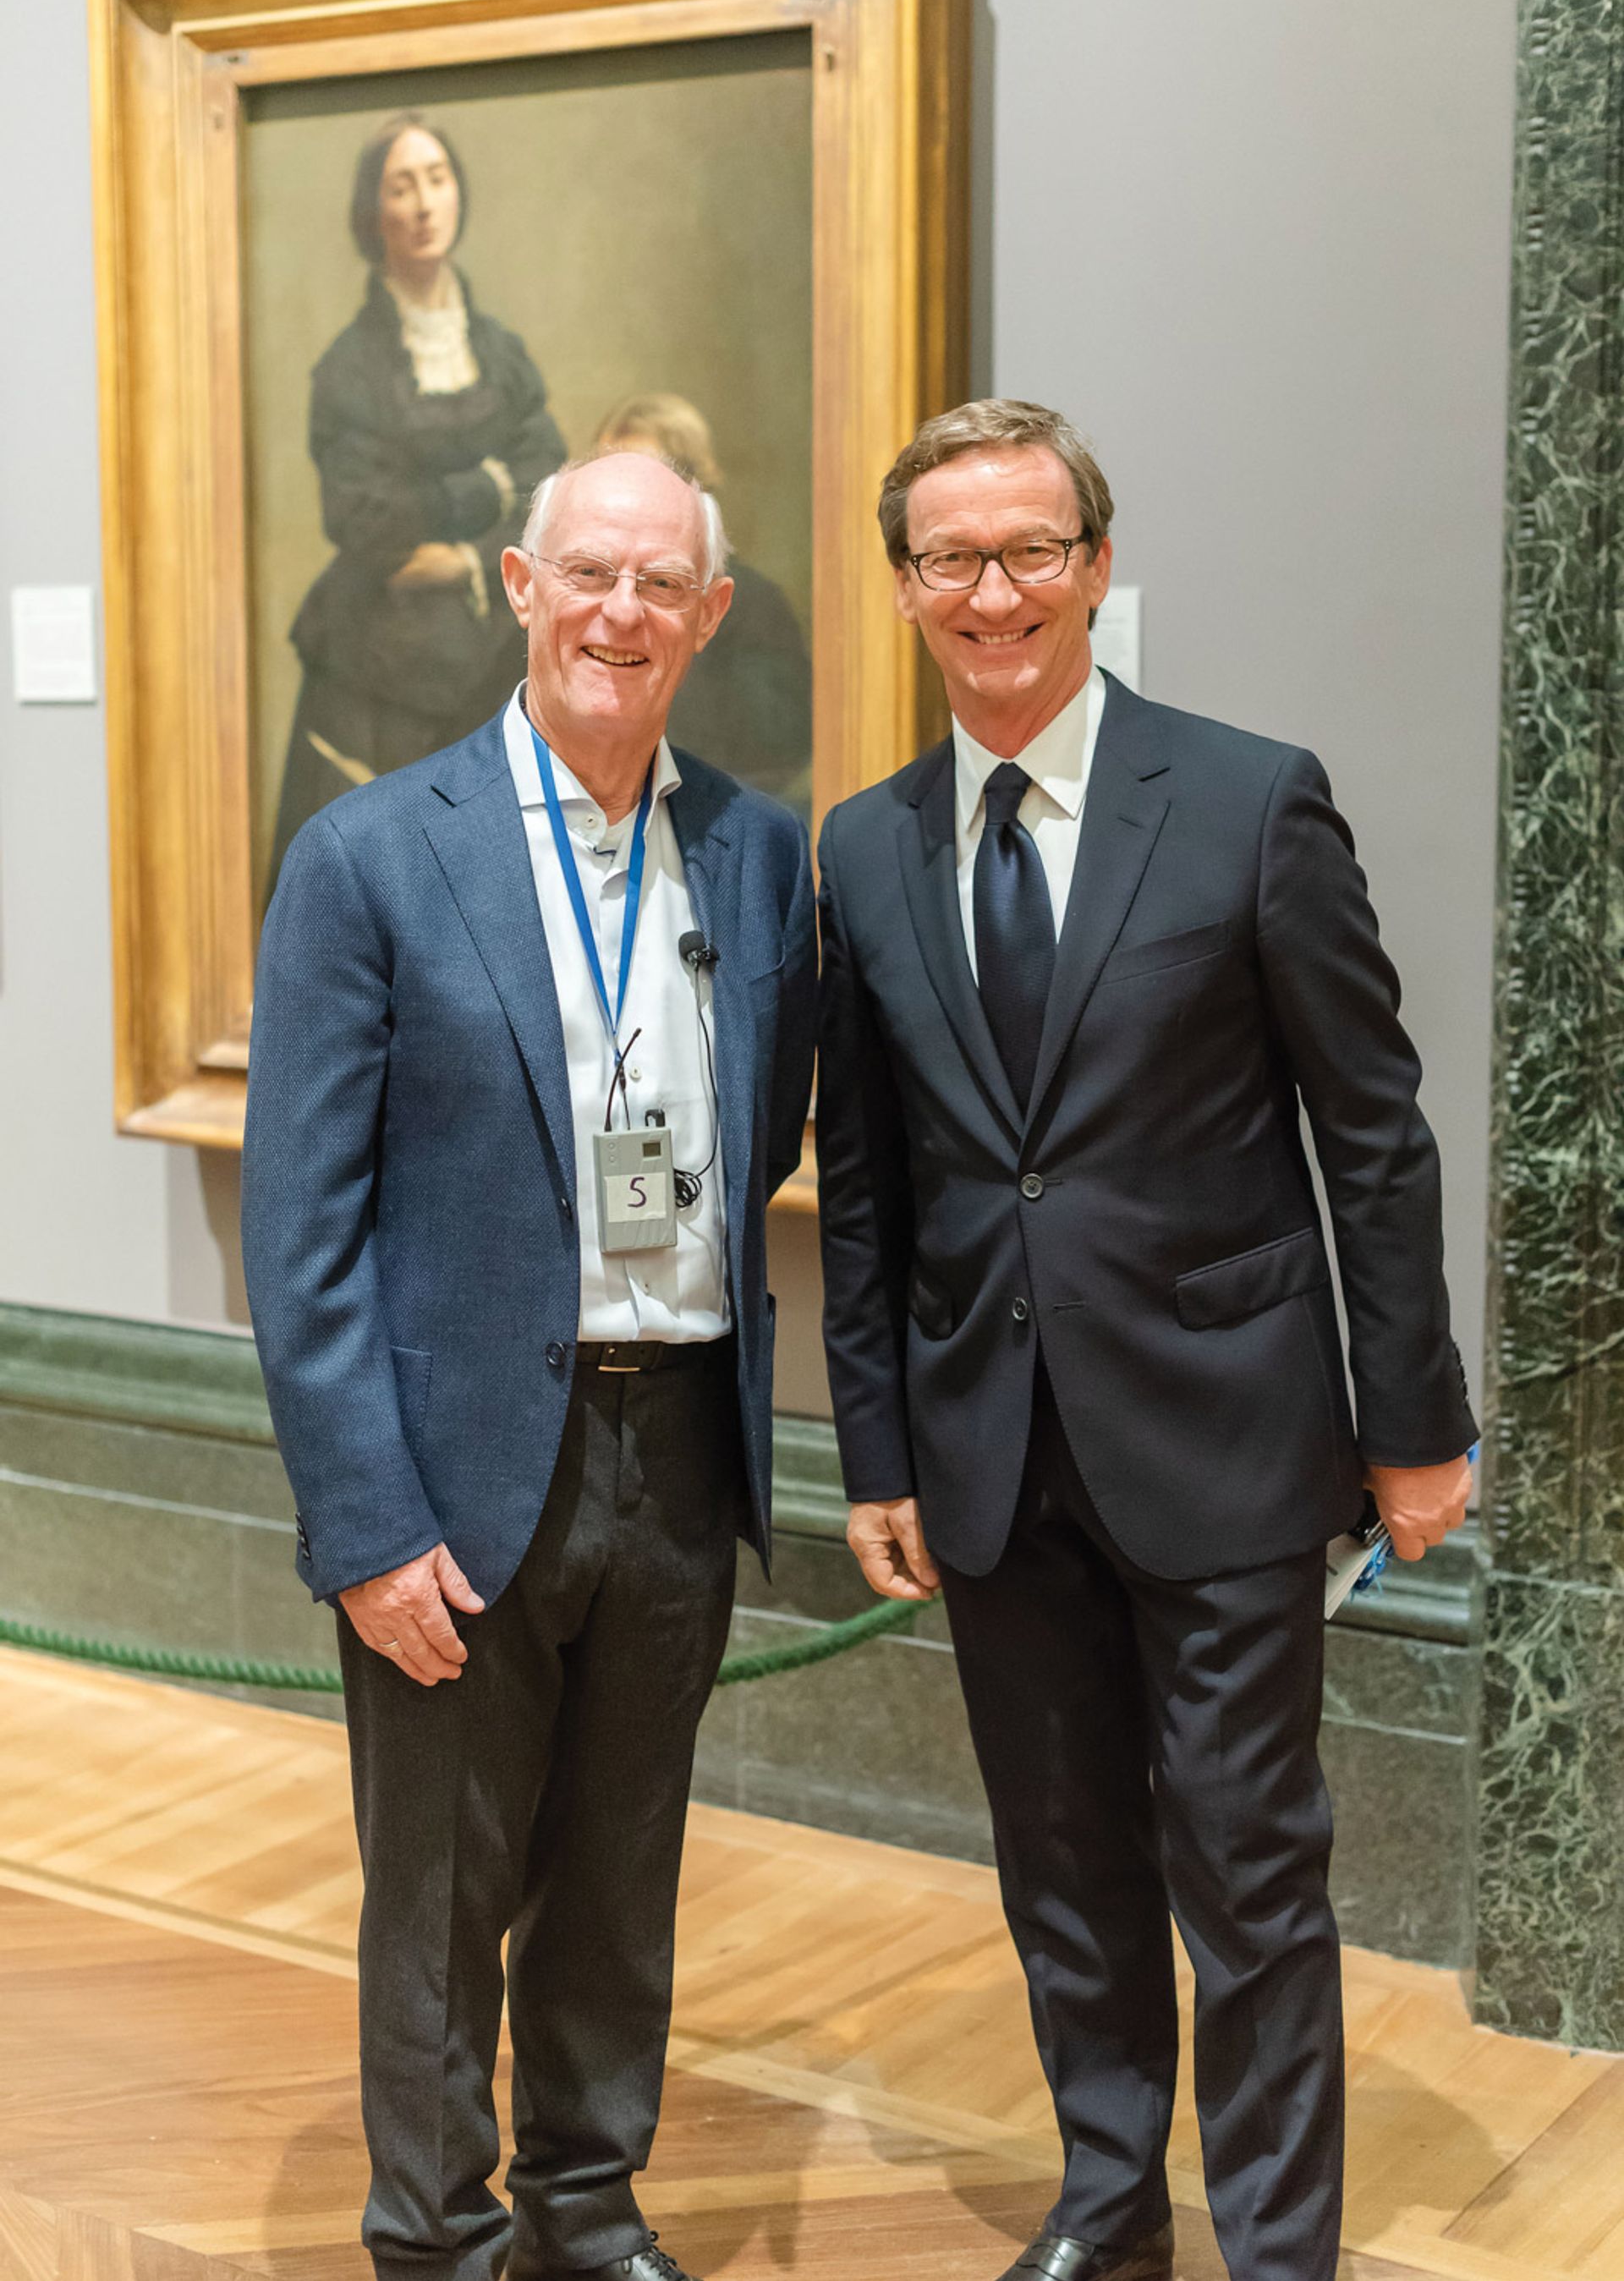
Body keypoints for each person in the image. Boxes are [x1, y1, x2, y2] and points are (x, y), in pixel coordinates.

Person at [814, 399, 1477, 2281]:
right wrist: (877, 1449)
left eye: (1031, 548)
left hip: (1228, 1441)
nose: (994, 591)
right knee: (1064, 1867)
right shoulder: (864, 848)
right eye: (953, 556)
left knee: (1251, 1874)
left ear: (1096, 565)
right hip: (991, 1456)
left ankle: (1276, 2249)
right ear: (906, 587)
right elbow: (866, 1184)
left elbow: (1370, 1132)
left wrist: (1414, 1424)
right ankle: (1108, 2210)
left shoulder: (1252, 799)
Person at [243, 447, 815, 2281]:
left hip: (683, 1445)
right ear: (520, 584)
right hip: (459, 1466)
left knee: (620, 1877)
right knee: (441, 1891)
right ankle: (435, 2235)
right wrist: (365, 1522)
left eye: (660, 585)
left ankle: (585, 2204)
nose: (620, 614)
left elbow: (764, 1131)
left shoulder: (759, 850)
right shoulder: (369, 856)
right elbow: (301, 1237)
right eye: (589, 574)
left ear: (709, 616)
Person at [268, 110, 568, 889]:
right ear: (374, 214)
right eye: (402, 187)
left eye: (437, 179)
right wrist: (486, 485)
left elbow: (546, 483)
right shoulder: (350, 369)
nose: (425, 203)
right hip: (376, 668)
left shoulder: (501, 354)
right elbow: (364, 518)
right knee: (376, 884)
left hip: (494, 655)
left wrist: (467, 557)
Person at [594, 393, 812, 815]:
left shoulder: (754, 605)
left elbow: (777, 748)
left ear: (694, 490)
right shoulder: (581, 598)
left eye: (644, 483)